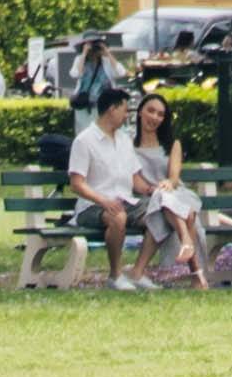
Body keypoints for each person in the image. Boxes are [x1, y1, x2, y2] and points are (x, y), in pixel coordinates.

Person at [64, 91, 156, 289]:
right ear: (112, 109)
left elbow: (135, 180)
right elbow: (76, 184)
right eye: (124, 110)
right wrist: (103, 201)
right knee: (118, 216)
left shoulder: (124, 140)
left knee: (158, 213)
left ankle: (138, 272)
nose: (127, 116)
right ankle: (115, 275)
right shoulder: (84, 141)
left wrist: (152, 190)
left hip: (124, 201)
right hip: (92, 206)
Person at [130, 89, 213, 283]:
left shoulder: (172, 144)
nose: (155, 117)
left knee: (171, 201)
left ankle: (139, 271)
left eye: (161, 114)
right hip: (147, 198)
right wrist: (153, 190)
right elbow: (134, 179)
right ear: (140, 111)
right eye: (151, 111)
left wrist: (168, 183)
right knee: (186, 214)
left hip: (174, 193)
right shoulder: (128, 145)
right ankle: (196, 274)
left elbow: (174, 177)